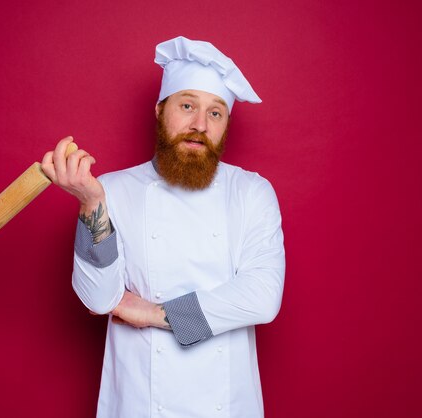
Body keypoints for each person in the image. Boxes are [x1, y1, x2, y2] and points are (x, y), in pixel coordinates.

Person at [41, 36, 285, 418]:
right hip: (140, 403)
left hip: (228, 406)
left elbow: (262, 298)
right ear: (160, 110)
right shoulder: (114, 190)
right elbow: (98, 299)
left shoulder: (251, 192)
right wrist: (91, 203)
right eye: (187, 106)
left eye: (215, 113)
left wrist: (152, 313)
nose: (200, 125)